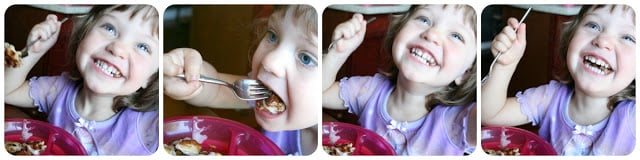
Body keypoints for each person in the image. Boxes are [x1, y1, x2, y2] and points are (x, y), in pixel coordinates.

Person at [322, 4, 477, 155]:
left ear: (465, 74)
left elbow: (493, 115)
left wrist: (501, 68)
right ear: (398, 29)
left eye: (456, 36)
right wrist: (337, 54)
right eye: (424, 20)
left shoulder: (457, 123)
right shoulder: (369, 91)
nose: (432, 34)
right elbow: (316, 94)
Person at [163, 5, 318, 155]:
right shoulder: (264, 94)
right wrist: (189, 71)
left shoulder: (334, 144)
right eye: (273, 35)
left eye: (306, 58)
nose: (270, 62)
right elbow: (216, 90)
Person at [4, 5, 159, 155]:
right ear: (85, 32)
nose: (117, 48)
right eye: (109, 28)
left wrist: (184, 94)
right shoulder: (58, 90)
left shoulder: (148, 125)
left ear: (151, 77)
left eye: (143, 46)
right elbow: (6, 92)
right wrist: (33, 53)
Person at [482, 5, 635, 155]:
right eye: (593, 25)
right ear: (570, 37)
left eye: (628, 38)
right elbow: (489, 115)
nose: (602, 41)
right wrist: (503, 66)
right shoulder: (550, 98)